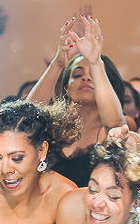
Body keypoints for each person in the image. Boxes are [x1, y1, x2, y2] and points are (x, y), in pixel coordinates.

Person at [26, 13, 128, 188]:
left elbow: (115, 122)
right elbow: (28, 112)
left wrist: (95, 62)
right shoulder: (53, 124)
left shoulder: (111, 130)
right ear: (66, 87)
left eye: (93, 76)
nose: (86, 79)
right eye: (78, 74)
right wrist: (57, 63)